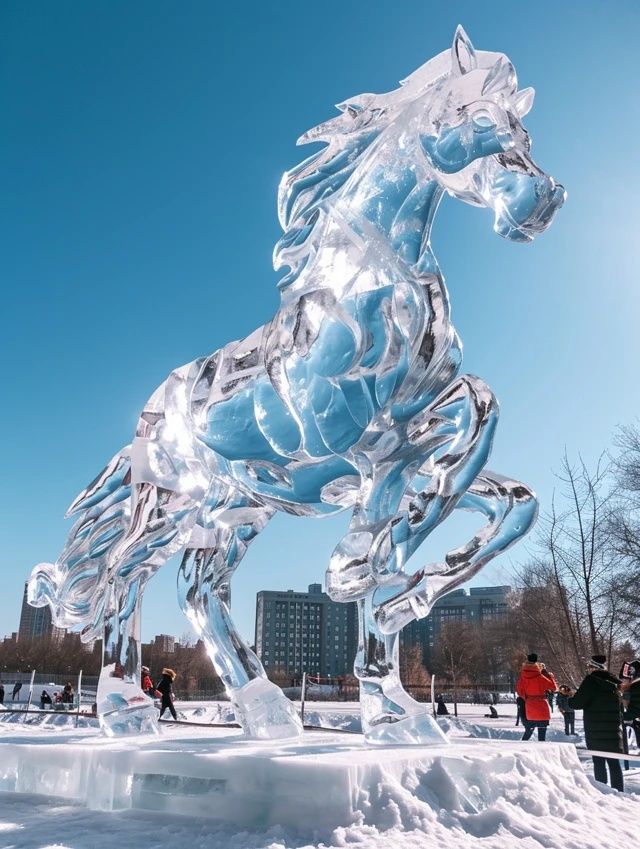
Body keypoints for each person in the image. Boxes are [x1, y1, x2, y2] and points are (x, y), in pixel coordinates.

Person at [568, 654, 624, 792]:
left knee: (599, 762)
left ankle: (603, 792)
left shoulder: (590, 681)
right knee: (614, 762)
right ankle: (620, 793)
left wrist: (569, 698)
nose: (588, 669)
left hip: (595, 730)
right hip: (613, 730)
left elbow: (576, 703)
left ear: (594, 667)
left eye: (589, 667)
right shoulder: (616, 683)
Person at [516, 653, 557, 741]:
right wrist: (549, 675)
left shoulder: (523, 677)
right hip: (541, 707)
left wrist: (526, 698)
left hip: (529, 707)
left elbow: (519, 690)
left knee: (528, 732)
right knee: (542, 736)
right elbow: (553, 687)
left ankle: (521, 748)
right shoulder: (540, 677)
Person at [621, 659, 640, 749]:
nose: (623, 681)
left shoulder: (636, 689)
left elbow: (636, 710)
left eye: (625, 678)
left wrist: (622, 716)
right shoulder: (631, 688)